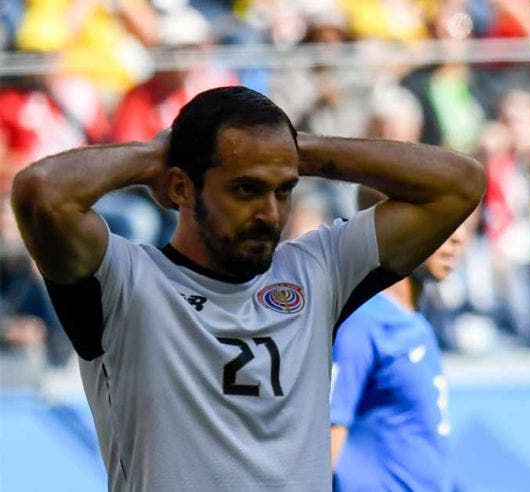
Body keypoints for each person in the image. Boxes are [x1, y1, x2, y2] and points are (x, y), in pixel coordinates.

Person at [10, 85, 484, 491]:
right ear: (180, 187)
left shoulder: (318, 271)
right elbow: (41, 193)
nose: (270, 213)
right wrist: (155, 154)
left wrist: (298, 149)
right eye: (245, 189)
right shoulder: (124, 282)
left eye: (283, 189)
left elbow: (460, 184)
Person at [329, 187, 473, 491]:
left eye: (461, 221)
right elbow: (327, 437)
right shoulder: (364, 323)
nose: (458, 236)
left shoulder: (414, 321)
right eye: (443, 221)